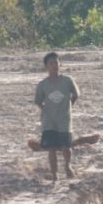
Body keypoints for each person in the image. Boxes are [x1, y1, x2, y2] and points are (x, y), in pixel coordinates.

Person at [34, 52, 79, 182]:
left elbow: (76, 94)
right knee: (51, 149)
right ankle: (54, 175)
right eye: (51, 63)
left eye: (56, 62)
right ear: (46, 66)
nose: (54, 65)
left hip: (64, 119)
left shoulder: (67, 80)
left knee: (66, 147)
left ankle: (67, 166)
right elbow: (38, 101)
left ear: (60, 64)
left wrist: (69, 106)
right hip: (49, 121)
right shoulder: (43, 85)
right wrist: (45, 110)